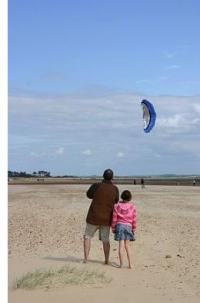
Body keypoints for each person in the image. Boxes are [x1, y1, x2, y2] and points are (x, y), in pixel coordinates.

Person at [83, 169, 119, 264]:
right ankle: (106, 260)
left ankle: (86, 259)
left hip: (93, 217)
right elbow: (116, 200)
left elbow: (88, 195)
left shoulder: (96, 185)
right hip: (106, 218)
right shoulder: (115, 188)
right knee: (105, 240)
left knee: (87, 237)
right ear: (112, 177)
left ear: (103, 176)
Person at [111, 190, 137, 269]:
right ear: (130, 198)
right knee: (127, 246)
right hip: (128, 226)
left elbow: (114, 218)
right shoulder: (133, 206)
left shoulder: (117, 206)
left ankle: (121, 264)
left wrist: (113, 228)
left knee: (121, 246)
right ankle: (130, 264)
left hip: (119, 226)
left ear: (122, 197)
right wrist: (134, 228)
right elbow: (134, 219)